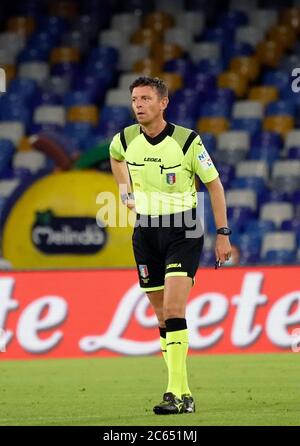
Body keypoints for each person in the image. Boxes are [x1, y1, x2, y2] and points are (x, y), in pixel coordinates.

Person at [109, 76, 231, 415]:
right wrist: (124, 192)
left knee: (175, 309)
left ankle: (173, 394)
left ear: (163, 103)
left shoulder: (187, 140)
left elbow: (215, 186)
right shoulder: (126, 138)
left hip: (184, 228)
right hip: (145, 231)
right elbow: (115, 157)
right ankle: (186, 393)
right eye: (135, 98)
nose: (138, 104)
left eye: (146, 98)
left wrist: (223, 233)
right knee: (163, 317)